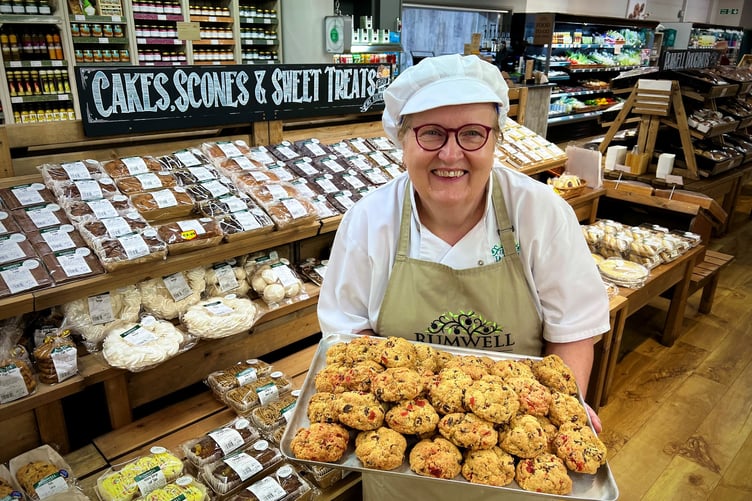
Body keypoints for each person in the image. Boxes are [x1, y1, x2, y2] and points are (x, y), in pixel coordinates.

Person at [316, 54, 610, 499]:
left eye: (472, 133)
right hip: (401, 468)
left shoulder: (540, 212)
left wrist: (562, 414)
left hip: (514, 473)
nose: (451, 154)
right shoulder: (369, 220)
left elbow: (571, 330)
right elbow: (349, 338)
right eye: (430, 133)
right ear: (402, 140)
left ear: (495, 140)